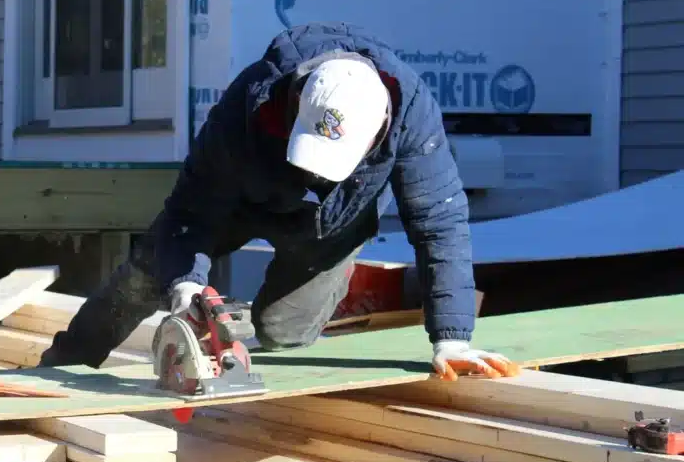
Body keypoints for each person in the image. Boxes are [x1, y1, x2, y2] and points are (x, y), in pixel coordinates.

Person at [39, 22, 517, 381]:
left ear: (379, 131)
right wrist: (185, 284)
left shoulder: (413, 114)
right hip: (243, 201)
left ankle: (235, 320)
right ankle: (61, 364)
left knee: (284, 333)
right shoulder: (248, 103)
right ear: (298, 101)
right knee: (146, 275)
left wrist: (452, 339)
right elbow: (190, 212)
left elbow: (440, 226)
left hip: (333, 225)